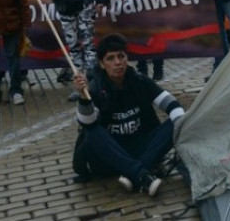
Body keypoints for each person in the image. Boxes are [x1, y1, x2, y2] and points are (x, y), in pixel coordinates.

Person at [72, 34, 184, 197]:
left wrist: (183, 128)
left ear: (127, 58)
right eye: (110, 58)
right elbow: (88, 124)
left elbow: (172, 105)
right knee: (91, 133)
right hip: (109, 158)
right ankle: (141, 175)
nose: (117, 62)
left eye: (121, 56)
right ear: (102, 64)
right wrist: (83, 96)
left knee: (177, 122)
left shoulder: (140, 80)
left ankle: (134, 174)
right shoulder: (95, 87)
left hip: (139, 149)